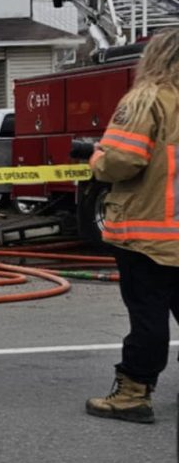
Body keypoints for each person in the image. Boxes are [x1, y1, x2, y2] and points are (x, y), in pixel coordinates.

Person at [85, 29, 179, 423]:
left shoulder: (148, 99)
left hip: (149, 235)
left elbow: (123, 160)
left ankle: (133, 393)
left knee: (148, 316)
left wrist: (96, 159)